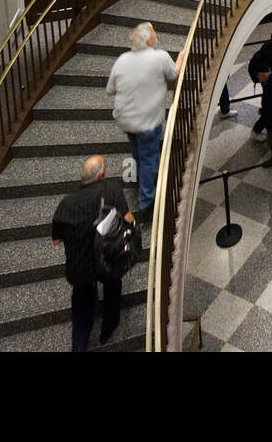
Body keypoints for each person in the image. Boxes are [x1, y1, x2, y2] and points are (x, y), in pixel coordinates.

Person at [51, 155, 134, 351]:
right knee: (112, 284)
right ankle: (108, 327)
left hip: (78, 265)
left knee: (81, 299)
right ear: (102, 174)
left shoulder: (66, 204)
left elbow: (56, 240)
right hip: (106, 257)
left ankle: (79, 344)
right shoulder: (112, 190)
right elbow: (129, 219)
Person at [104, 22, 181, 221]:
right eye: (154, 34)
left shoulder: (122, 59)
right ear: (149, 40)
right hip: (147, 120)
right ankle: (147, 201)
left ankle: (140, 182)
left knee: (137, 152)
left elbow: (110, 90)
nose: (156, 37)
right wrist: (180, 58)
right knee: (148, 157)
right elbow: (175, 74)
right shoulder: (160, 57)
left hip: (126, 119)